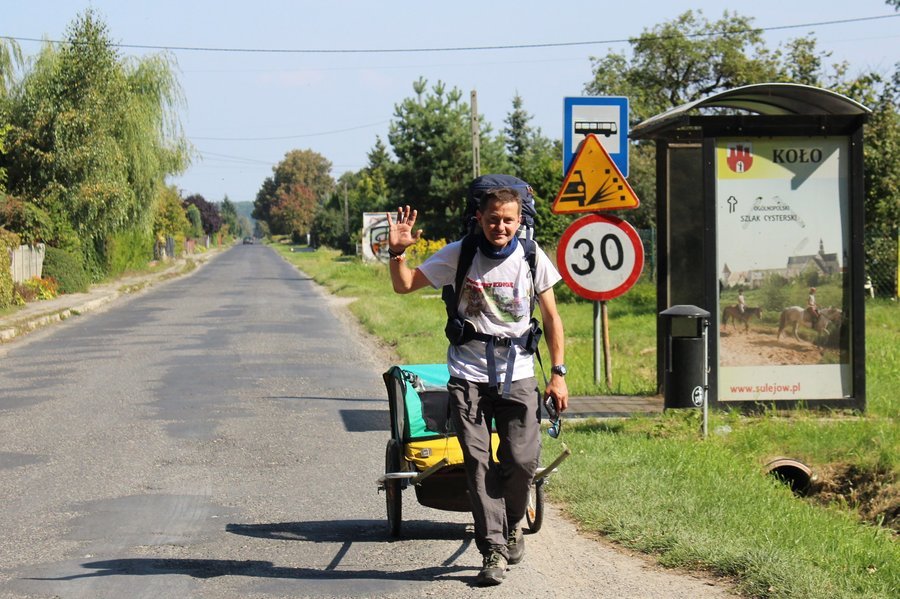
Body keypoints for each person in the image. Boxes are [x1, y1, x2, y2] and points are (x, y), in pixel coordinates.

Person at [386, 185, 568, 586]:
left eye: (508, 220)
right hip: (468, 376)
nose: (500, 227)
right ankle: (493, 549)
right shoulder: (459, 253)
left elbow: (552, 318)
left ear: (520, 222)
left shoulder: (532, 256)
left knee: (521, 462)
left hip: (518, 374)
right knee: (477, 461)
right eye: (492, 219)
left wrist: (558, 373)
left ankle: (512, 523)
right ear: (479, 219)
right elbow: (404, 285)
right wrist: (397, 253)